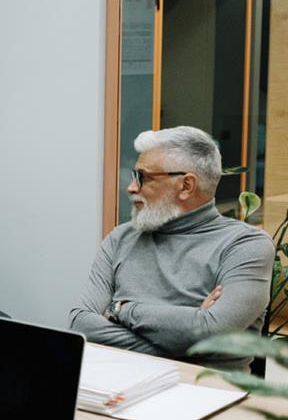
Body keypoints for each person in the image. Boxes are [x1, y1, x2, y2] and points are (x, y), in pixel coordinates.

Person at [69, 126, 275, 369]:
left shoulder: (245, 245)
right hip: (116, 381)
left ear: (186, 186)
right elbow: (81, 324)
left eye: (143, 177)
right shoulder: (120, 238)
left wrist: (120, 310)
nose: (131, 187)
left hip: (203, 388)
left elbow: (214, 333)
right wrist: (189, 333)